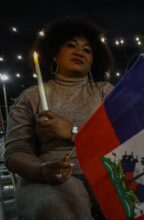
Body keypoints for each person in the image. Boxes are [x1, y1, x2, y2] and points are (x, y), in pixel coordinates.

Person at [4, 16, 113, 219]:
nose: (80, 51)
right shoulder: (32, 96)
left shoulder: (104, 92)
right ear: (54, 55)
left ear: (93, 61)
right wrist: (42, 170)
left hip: (107, 172)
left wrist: (72, 131)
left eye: (87, 49)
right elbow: (15, 153)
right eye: (71, 45)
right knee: (64, 206)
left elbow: (125, 135)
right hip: (45, 179)